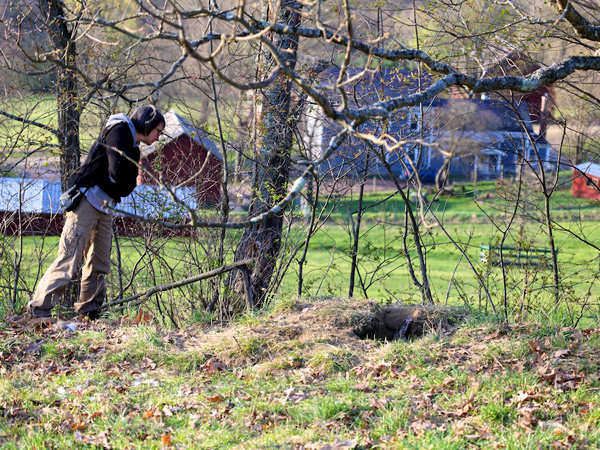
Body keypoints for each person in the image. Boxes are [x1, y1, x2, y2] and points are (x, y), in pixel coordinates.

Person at [26, 105, 165, 321]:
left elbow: (126, 185)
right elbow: (118, 173)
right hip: (86, 202)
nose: (158, 138)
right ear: (147, 124)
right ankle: (39, 310)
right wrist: (122, 180)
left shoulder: (134, 147)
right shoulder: (119, 130)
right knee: (70, 257)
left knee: (99, 262)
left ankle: (89, 314)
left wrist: (121, 181)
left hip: (106, 206)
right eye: (158, 131)